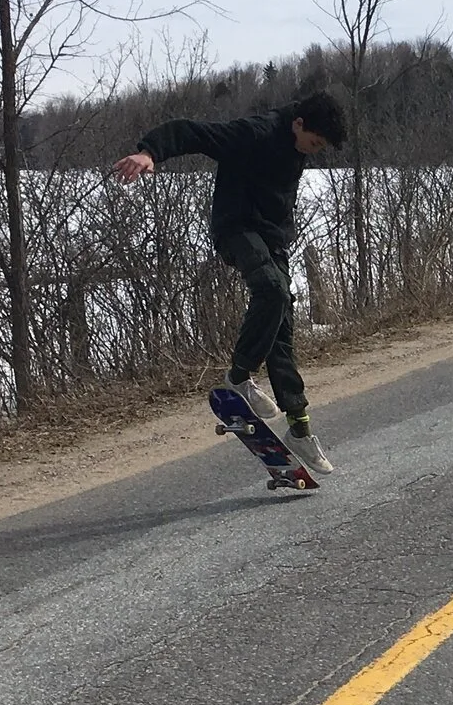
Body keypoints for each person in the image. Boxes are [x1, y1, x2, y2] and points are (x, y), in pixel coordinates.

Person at [111, 93, 347, 469]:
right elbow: (193, 132)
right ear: (298, 123)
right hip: (236, 230)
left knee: (281, 322)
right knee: (271, 289)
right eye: (314, 143)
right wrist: (149, 152)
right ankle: (238, 377)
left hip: (272, 240)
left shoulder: (296, 143)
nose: (314, 152)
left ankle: (299, 429)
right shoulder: (256, 133)